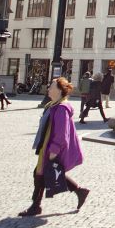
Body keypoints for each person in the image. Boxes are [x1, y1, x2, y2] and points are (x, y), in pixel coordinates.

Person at [18, 77, 90, 217]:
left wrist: (54, 150)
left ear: (59, 90)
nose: (49, 88)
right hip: (46, 145)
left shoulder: (61, 108)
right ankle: (79, 191)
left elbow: (61, 133)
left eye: (52, 86)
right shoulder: (53, 105)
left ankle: (35, 206)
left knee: (41, 174)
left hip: (51, 147)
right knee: (44, 173)